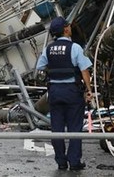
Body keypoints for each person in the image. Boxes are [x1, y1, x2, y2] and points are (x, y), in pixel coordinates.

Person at [36, 16, 93, 171]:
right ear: (66, 29)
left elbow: (40, 66)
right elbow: (84, 70)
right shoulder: (75, 48)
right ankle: (74, 162)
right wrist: (89, 90)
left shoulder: (49, 49)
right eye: (68, 26)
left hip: (54, 92)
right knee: (75, 127)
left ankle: (61, 161)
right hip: (72, 91)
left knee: (57, 128)